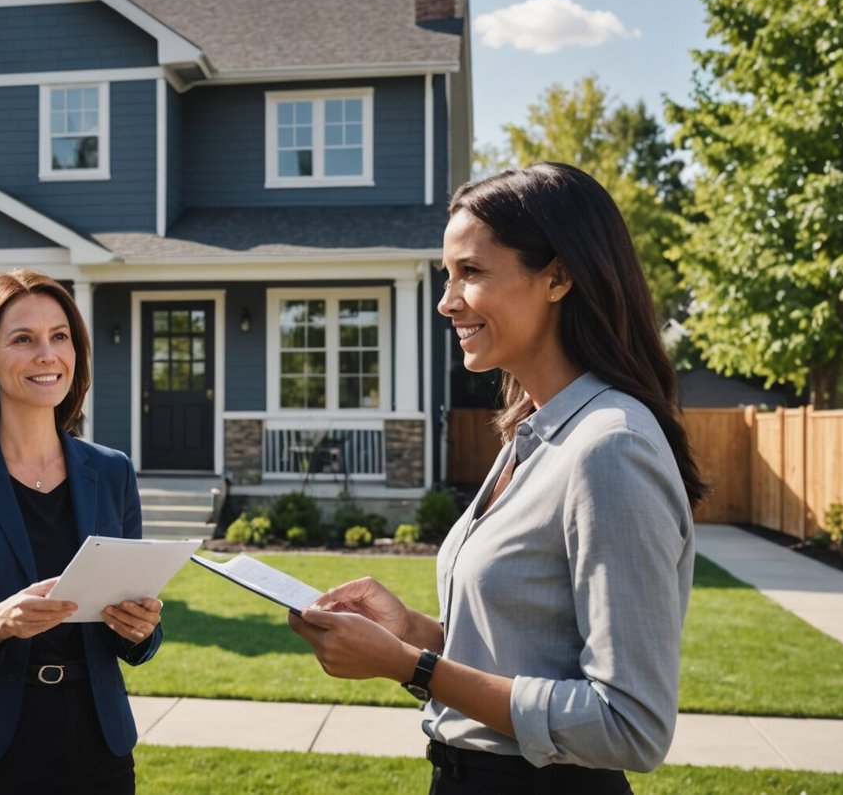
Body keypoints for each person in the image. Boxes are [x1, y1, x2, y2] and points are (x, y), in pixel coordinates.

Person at [289, 162, 707, 794]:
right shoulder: (530, 433)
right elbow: (520, 650)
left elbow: (630, 725)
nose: (446, 300)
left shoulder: (609, 447)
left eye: (472, 272)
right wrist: (410, 632)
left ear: (558, 276)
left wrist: (412, 665)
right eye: (446, 275)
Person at [0, 268, 164, 794]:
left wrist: (141, 629)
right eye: (24, 339)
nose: (48, 355)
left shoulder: (112, 472)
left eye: (59, 336)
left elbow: (141, 639)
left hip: (99, 748)